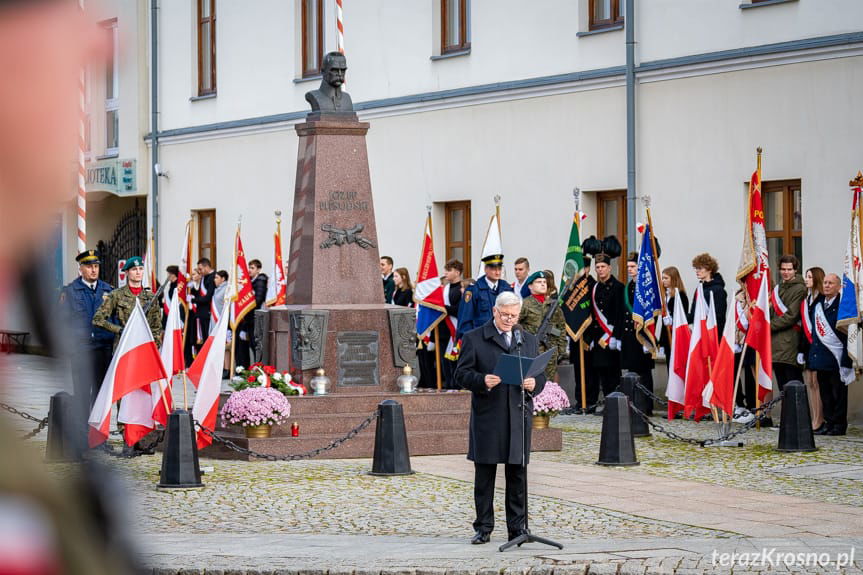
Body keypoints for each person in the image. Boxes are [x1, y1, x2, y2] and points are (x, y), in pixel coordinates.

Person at [455, 291, 546, 545]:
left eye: (513, 316)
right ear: (494, 311)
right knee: (485, 475)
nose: (509, 320)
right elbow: (460, 374)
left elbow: (541, 375)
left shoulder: (526, 339)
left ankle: (517, 529)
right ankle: (483, 527)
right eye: (505, 315)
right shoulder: (475, 338)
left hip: (518, 414)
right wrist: (481, 380)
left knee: (517, 474)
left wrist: (534, 383)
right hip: (489, 415)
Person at [60, 250, 115, 407]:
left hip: (103, 349)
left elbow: (115, 319)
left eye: (96, 266)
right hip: (81, 350)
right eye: (89, 266)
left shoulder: (108, 291)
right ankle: (82, 430)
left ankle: (96, 431)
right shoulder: (70, 291)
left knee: (101, 395)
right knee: (82, 394)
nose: (94, 270)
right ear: (81, 269)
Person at [807, 273, 853, 436]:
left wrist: (847, 360)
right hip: (820, 357)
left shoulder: (843, 306)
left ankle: (839, 425)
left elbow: (848, 334)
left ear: (839, 287)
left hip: (836, 358)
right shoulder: (818, 304)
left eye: (830, 283)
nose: (826, 285)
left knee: (838, 393)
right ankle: (829, 422)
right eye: (825, 282)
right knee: (825, 393)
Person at [584, 236, 625, 410]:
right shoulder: (595, 288)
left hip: (610, 337)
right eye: (597, 267)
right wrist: (591, 338)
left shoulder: (618, 287)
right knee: (600, 373)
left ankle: (614, 406)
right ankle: (606, 404)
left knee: (612, 374)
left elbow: (620, 314)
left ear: (609, 267)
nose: (600, 270)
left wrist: (614, 336)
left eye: (603, 267)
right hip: (598, 337)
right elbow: (593, 315)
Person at [92, 256, 163, 348]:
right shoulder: (116, 295)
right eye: (134, 269)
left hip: (145, 345)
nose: (138, 272)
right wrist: (120, 330)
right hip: (124, 345)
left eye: (140, 269)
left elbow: (156, 326)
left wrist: (155, 346)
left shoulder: (150, 297)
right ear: (126, 272)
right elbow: (97, 319)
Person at [621, 252, 656, 414]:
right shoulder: (629, 287)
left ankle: (646, 406)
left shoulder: (646, 288)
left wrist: (649, 338)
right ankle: (633, 403)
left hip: (642, 335)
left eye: (633, 267)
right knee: (631, 371)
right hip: (629, 336)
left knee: (644, 373)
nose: (630, 269)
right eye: (628, 267)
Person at [518, 271, 567, 382]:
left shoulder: (553, 304)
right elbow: (516, 324)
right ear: (530, 286)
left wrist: (561, 350)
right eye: (539, 282)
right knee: (533, 382)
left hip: (550, 352)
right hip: (533, 351)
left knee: (548, 383)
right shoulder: (525, 304)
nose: (543, 284)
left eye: (544, 282)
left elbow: (561, 327)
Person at [770, 255, 807, 391]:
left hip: (790, 343)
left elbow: (791, 316)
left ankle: (799, 413)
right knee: (782, 388)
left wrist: (768, 326)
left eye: (789, 269)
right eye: (783, 269)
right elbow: (771, 312)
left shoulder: (800, 289)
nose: (786, 272)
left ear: (795, 270)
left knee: (794, 386)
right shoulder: (778, 288)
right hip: (775, 345)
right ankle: (786, 413)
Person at [457, 254, 515, 339]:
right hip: (481, 338)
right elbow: (465, 318)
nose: (497, 272)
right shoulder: (473, 290)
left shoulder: (507, 288)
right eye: (493, 269)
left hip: (503, 337)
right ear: (485, 269)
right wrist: (468, 341)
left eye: (499, 269)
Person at [569, 249, 598, 413]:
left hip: (589, 337)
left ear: (587, 269)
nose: (581, 272)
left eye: (583, 268)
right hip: (576, 336)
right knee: (578, 371)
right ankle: (580, 401)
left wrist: (590, 337)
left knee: (590, 372)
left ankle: (591, 401)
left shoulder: (593, 286)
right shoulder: (573, 287)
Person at [801, 267, 826, 432]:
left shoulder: (821, 300)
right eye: (806, 276)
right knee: (810, 382)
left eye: (809, 277)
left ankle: (819, 419)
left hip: (819, 345)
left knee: (817, 383)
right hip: (808, 346)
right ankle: (814, 417)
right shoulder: (807, 300)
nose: (806, 279)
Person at [236, 259, 268, 369]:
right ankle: (249, 369)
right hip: (249, 319)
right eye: (249, 267)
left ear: (258, 269)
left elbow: (258, 300)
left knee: (256, 345)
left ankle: (260, 369)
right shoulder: (248, 282)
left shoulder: (260, 281)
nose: (249, 270)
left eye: (252, 268)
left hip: (256, 318)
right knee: (250, 345)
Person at [659, 266, 689, 370]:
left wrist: (672, 320)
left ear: (674, 278)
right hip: (667, 337)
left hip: (677, 336)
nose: (663, 281)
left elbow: (683, 317)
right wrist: (662, 342)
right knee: (669, 364)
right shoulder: (665, 296)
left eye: (666, 278)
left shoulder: (681, 296)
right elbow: (663, 324)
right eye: (662, 278)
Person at [440, 259, 464, 389]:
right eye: (445, 270)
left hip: (456, 331)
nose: (445, 273)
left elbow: (460, 310)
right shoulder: (445, 289)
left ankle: (456, 388)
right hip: (444, 331)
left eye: (449, 270)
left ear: (457, 272)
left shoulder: (462, 289)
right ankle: (448, 387)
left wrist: (442, 308)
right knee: (445, 364)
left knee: (455, 363)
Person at [690, 253, 727, 334]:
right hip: (699, 333)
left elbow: (719, 318)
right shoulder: (699, 289)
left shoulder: (719, 290)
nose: (697, 271)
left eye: (700, 268)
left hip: (713, 334)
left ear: (709, 269)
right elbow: (693, 314)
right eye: (696, 268)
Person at [194, 258, 216, 348]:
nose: (199, 272)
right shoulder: (203, 277)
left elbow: (208, 296)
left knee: (209, 339)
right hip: (201, 313)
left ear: (206, 267)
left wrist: (194, 300)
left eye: (200, 269)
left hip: (208, 313)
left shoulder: (213, 277)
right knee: (204, 341)